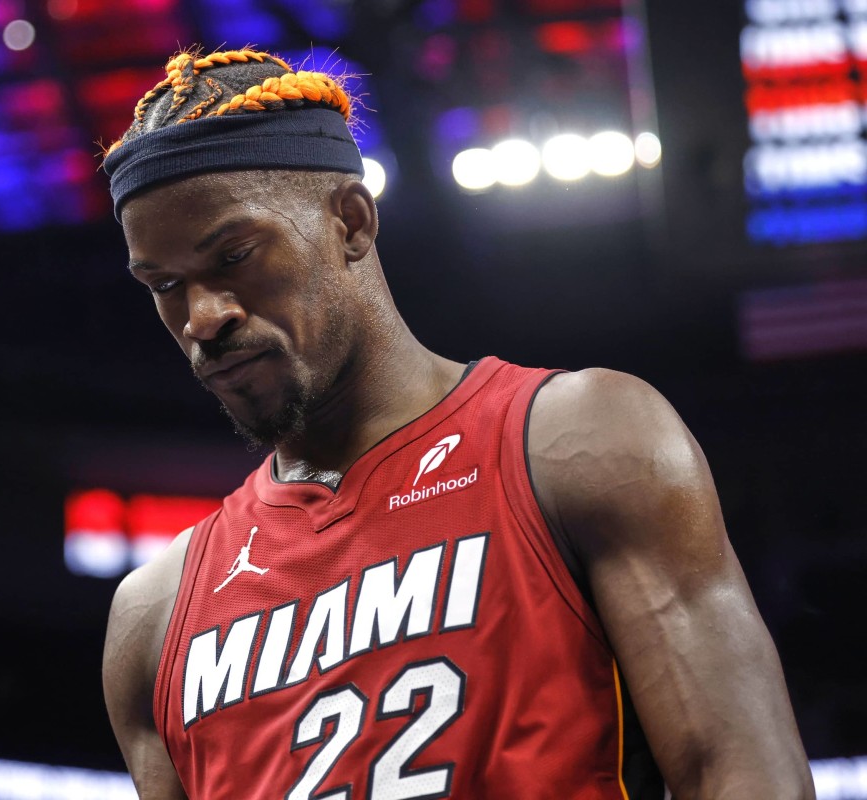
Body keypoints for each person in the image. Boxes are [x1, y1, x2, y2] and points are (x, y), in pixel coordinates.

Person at [100, 48, 814, 799]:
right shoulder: (155, 614)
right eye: (165, 285)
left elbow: (740, 776)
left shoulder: (579, 445)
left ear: (350, 221)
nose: (203, 318)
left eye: (235, 255)